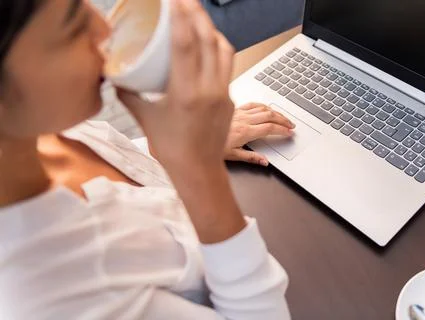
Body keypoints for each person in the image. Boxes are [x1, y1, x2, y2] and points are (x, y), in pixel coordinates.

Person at [0, 0, 295, 319]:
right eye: (72, 28)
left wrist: (167, 149)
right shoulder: (53, 296)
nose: (104, 27)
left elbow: (116, 189)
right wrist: (200, 173)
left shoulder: (40, 131)